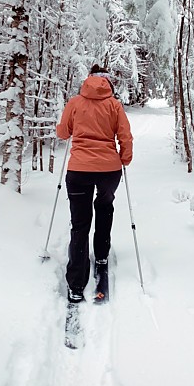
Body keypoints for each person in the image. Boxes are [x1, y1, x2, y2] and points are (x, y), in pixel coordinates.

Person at [56, 64, 133, 303]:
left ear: (87, 79)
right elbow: (125, 135)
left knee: (80, 224)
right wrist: (125, 158)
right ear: (108, 82)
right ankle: (101, 256)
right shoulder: (114, 105)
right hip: (109, 170)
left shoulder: (75, 102)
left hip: (79, 169)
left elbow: (62, 133)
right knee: (104, 208)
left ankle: (76, 285)